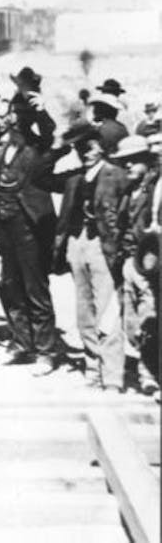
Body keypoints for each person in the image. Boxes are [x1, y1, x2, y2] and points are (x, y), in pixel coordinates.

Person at [0, 92, 60, 375]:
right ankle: (21, 342)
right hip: (3, 226)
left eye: (20, 114)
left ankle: (46, 351)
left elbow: (52, 134)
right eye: (11, 112)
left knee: (35, 289)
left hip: (29, 227)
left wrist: (42, 112)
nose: (13, 118)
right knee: (10, 285)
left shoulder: (37, 147)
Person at [57, 132, 127, 391]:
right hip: (78, 242)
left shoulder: (115, 174)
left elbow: (124, 211)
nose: (85, 152)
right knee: (83, 309)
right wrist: (57, 146)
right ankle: (92, 367)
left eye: (90, 147)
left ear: (103, 148)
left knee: (107, 310)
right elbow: (40, 177)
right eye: (80, 147)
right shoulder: (75, 178)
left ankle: (111, 376)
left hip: (102, 245)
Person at [113, 135, 159, 394]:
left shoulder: (153, 191)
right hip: (128, 260)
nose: (128, 166)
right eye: (124, 162)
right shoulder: (129, 192)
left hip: (147, 263)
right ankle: (141, 367)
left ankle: (148, 373)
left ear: (146, 163)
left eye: (133, 161)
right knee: (130, 321)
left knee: (148, 319)